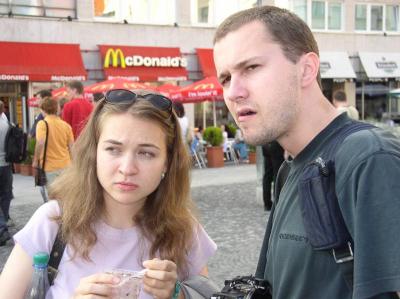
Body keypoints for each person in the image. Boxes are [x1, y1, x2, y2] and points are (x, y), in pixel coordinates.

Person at [213, 6, 400, 299]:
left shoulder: (368, 158)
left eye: (251, 68)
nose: (234, 91)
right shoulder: (290, 170)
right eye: (225, 78)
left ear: (306, 69)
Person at [0, 89, 217, 298]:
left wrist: (178, 294)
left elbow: (204, 292)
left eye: (146, 153)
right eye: (113, 149)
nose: (127, 168)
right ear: (93, 152)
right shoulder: (52, 223)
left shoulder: (183, 229)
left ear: (167, 163)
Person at [32, 97, 74, 202]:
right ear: (57, 109)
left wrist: (35, 160)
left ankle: (57, 217)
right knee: (66, 197)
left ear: (43, 109)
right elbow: (72, 147)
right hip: (66, 165)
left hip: (50, 166)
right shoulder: (66, 126)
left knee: (54, 198)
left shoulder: (42, 124)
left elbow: (40, 142)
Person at [0, 100, 12, 246]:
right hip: (6, 165)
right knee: (6, 195)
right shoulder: (7, 124)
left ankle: (2, 227)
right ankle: (4, 221)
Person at [261, 141, 284, 211]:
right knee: (277, 174)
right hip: (276, 143)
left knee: (267, 175)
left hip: (265, 144)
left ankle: (267, 203)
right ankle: (277, 201)